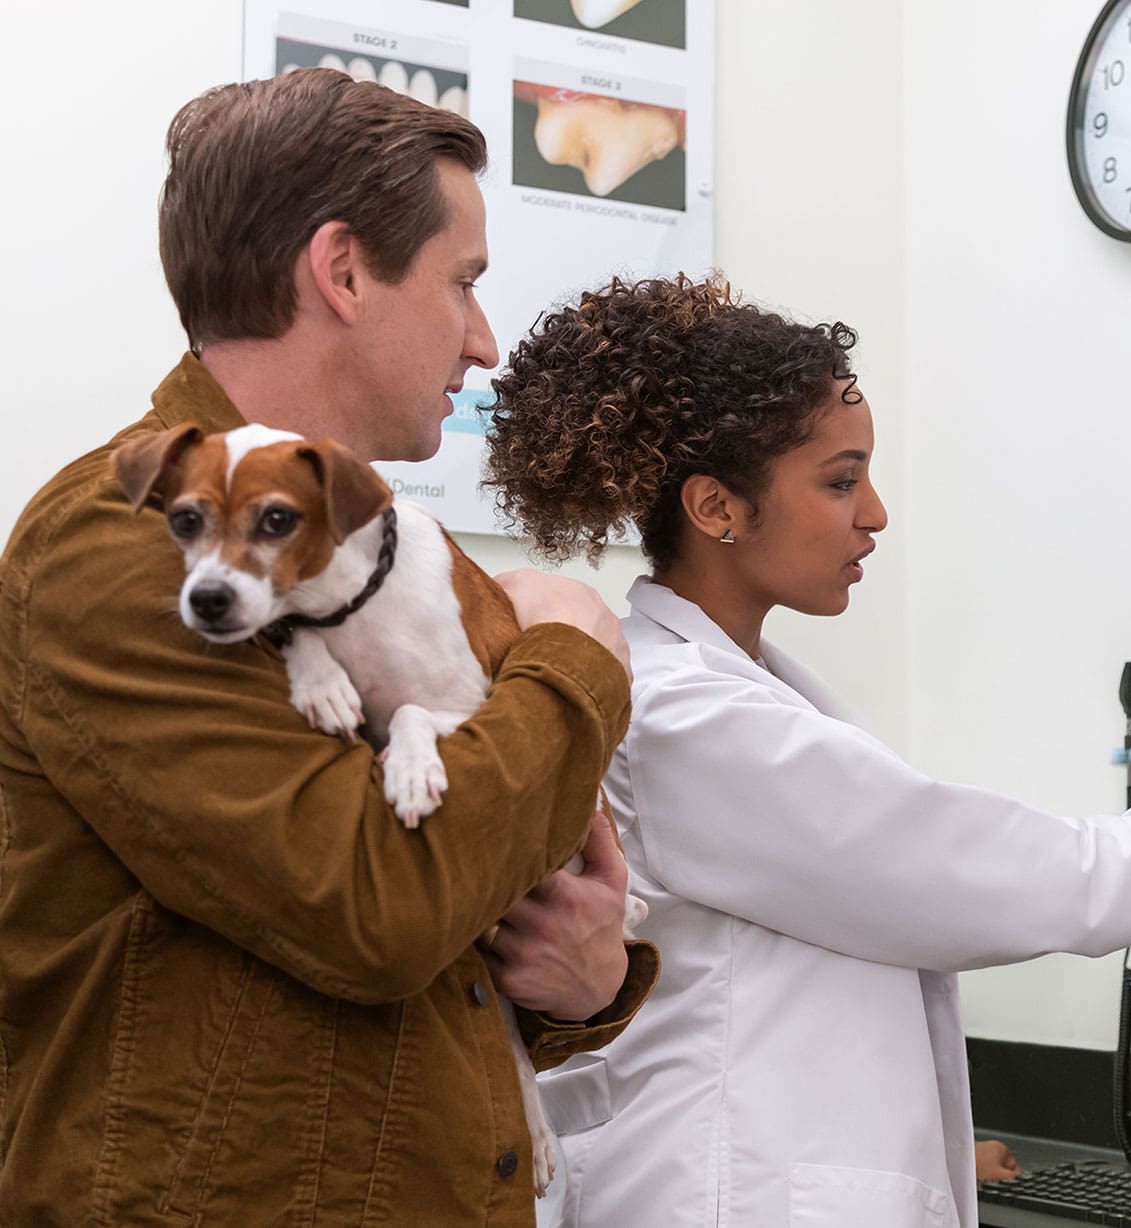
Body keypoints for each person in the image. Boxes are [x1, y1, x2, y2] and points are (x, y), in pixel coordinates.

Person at [482, 273, 1131, 1228]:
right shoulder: (684, 717)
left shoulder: (734, 692)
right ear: (716, 506)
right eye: (839, 480)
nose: (875, 515)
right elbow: (994, 875)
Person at [0, 70, 657, 1226]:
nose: (487, 342)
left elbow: (493, 877)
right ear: (344, 270)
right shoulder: (125, 543)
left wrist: (584, 979)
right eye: (462, 284)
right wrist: (574, 660)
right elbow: (373, 902)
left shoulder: (403, 551)